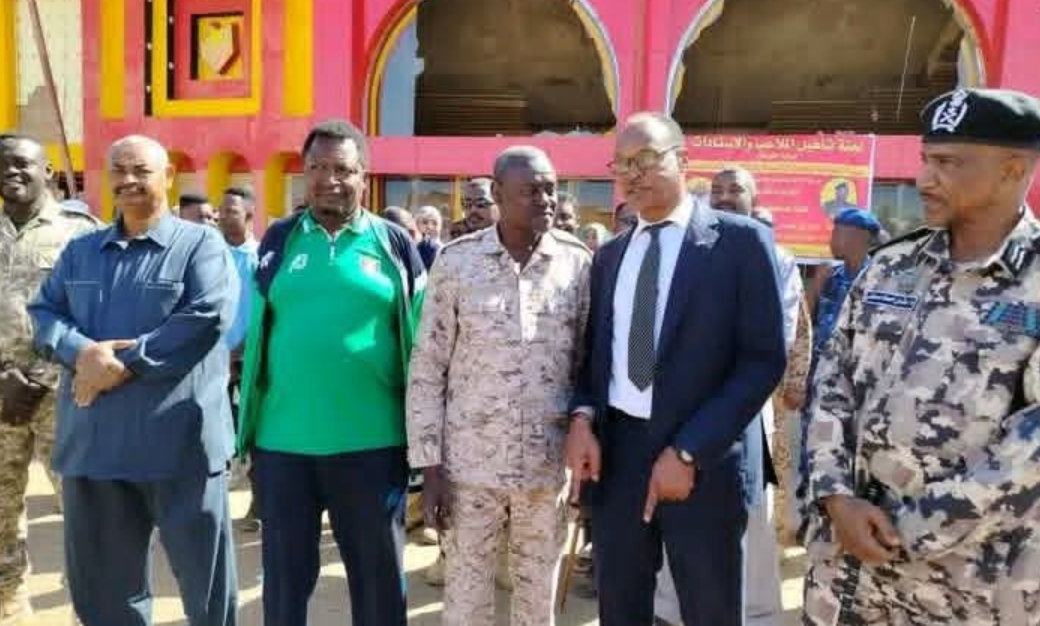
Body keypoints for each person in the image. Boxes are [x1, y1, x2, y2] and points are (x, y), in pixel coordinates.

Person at [803, 87, 1040, 625]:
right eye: (925, 159)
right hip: (846, 574)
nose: (923, 179)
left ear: (1012, 170)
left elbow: (1029, 453)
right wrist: (834, 496)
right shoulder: (892, 266)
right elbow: (832, 381)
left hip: (967, 589)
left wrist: (903, 529)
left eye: (948, 163)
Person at [565, 112, 787, 626]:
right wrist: (582, 418)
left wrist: (688, 450)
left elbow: (762, 360)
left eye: (646, 159)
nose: (632, 174)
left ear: (683, 161)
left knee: (709, 609)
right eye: (622, 164)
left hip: (705, 461)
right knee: (620, 607)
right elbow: (595, 358)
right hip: (619, 459)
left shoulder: (741, 243)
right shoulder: (610, 256)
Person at [29, 135, 239, 626]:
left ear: (168, 177)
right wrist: (81, 352)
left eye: (141, 170)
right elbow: (44, 313)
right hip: (95, 449)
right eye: (118, 170)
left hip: (181, 451)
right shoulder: (81, 251)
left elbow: (206, 316)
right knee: (105, 596)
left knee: (206, 593)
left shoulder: (201, 245)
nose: (128, 180)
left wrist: (121, 365)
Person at [235, 119, 426, 626]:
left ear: (364, 175)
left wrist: (427, 439)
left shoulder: (393, 243)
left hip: (373, 444)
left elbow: (424, 343)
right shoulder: (279, 240)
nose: (328, 179)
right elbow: (257, 332)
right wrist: (247, 432)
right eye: (317, 167)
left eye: (342, 169)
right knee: (284, 585)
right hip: (283, 445)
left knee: (379, 585)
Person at [408, 146, 591, 626]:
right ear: (497, 193)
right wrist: (430, 469)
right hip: (469, 471)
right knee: (466, 605)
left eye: (551, 189)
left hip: (545, 471)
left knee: (536, 606)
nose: (545, 199)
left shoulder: (576, 263)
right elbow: (427, 367)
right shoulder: (456, 262)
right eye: (530, 190)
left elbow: (587, 367)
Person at [0, 133, 99, 624]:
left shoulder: (80, 234)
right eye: (3, 165)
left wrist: (36, 377)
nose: (12, 172)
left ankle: (93, 611)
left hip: (62, 398)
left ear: (49, 171)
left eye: (23, 163)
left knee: (86, 516)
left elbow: (96, 314)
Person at [705, 167, 801, 626]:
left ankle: (757, 614)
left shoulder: (777, 258)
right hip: (683, 408)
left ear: (754, 198)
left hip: (744, 405)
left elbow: (775, 340)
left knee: (750, 515)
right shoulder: (690, 249)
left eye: (734, 189)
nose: (724, 197)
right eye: (716, 190)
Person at [217, 185, 261, 530]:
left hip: (249, 361)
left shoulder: (262, 259)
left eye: (230, 210)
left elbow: (263, 310)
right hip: (212, 361)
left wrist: (240, 351)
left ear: (249, 215)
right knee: (215, 433)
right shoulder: (210, 256)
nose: (221, 216)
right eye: (221, 210)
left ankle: (258, 505)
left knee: (255, 433)